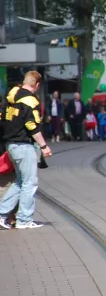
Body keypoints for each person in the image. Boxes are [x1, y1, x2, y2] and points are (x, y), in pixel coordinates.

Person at [0, 71, 53, 229]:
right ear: (36, 85)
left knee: (20, 182)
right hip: (23, 144)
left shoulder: (11, 95)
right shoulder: (30, 100)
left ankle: (2, 214)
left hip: (11, 144)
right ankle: (24, 220)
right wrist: (44, 146)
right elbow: (32, 125)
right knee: (30, 183)